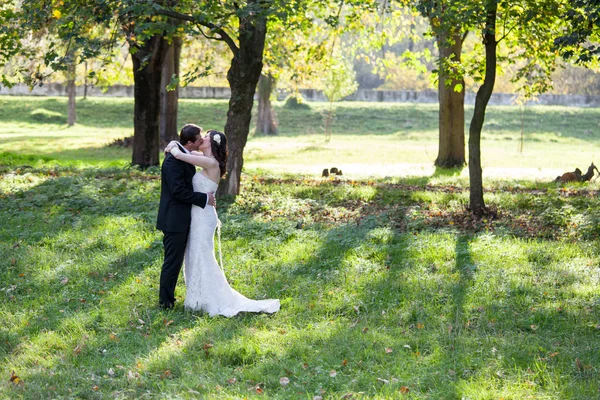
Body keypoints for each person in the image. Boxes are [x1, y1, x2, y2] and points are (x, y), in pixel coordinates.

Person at [165, 130, 280, 317]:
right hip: (197, 215)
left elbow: (179, 154)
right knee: (194, 255)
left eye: (205, 137)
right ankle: (197, 298)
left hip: (203, 217)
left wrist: (172, 147)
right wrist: (173, 142)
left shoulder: (211, 163)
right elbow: (185, 149)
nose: (201, 138)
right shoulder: (203, 157)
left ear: (211, 143)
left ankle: (209, 300)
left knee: (202, 256)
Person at [156, 124, 216, 310]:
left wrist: (174, 144)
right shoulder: (173, 161)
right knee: (172, 261)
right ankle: (166, 303)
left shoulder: (182, 152)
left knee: (180, 260)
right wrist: (204, 198)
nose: (201, 141)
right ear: (190, 142)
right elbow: (178, 192)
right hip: (174, 219)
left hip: (186, 218)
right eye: (199, 140)